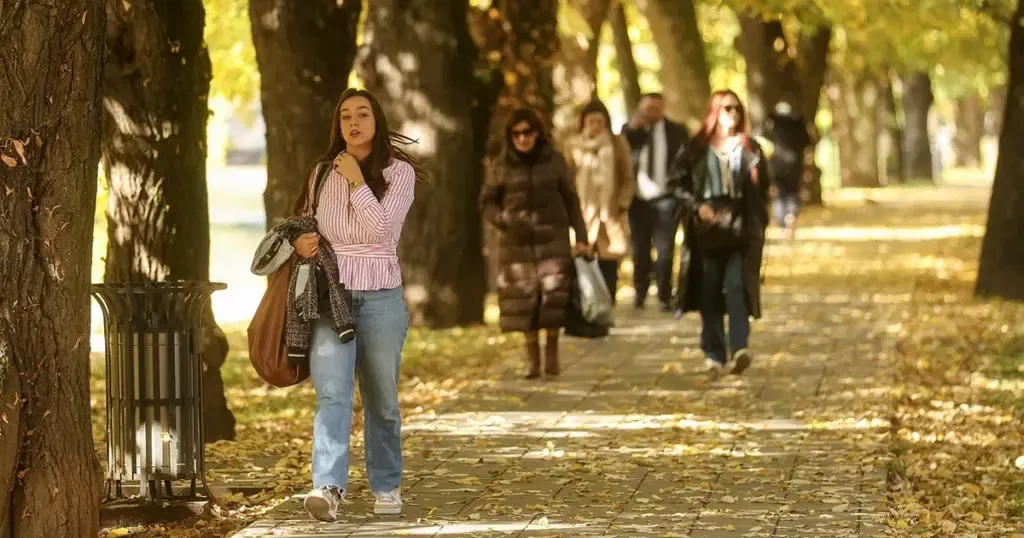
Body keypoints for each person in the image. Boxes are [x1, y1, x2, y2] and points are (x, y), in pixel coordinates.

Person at [290, 88, 426, 521]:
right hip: (331, 296)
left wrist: (355, 179)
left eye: (362, 113)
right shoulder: (320, 173)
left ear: (376, 120)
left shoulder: (399, 172)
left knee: (381, 396)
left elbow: (382, 231)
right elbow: (307, 221)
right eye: (345, 114)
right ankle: (327, 487)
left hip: (382, 297)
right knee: (332, 393)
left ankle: (386, 485)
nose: (353, 121)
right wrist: (301, 241)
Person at [481, 107, 589, 379]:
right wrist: (503, 219)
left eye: (527, 132)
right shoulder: (501, 165)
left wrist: (582, 237)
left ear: (538, 133)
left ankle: (552, 357)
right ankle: (532, 361)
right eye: (516, 134)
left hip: (553, 240)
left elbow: (571, 200)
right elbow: (487, 202)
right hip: (516, 245)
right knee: (526, 301)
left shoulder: (555, 161)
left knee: (552, 298)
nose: (522, 138)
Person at [668, 89, 769, 379]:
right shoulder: (696, 148)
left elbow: (762, 192)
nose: (733, 114)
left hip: (739, 226)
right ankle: (713, 354)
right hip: (706, 229)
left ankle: (739, 347)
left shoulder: (751, 148)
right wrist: (697, 207)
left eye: (737, 108)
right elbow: (676, 183)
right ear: (715, 111)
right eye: (727, 108)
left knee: (737, 286)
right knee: (709, 290)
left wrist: (759, 224)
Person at [621, 92, 689, 311]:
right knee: (639, 249)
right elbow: (622, 159)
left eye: (656, 109)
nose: (651, 113)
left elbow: (685, 164)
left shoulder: (677, 132)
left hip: (666, 199)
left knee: (665, 250)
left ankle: (664, 295)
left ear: (663, 108)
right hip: (638, 200)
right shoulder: (629, 132)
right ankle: (640, 293)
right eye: (647, 109)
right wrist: (634, 130)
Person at [562, 99, 635, 304]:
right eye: (591, 121)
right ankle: (586, 308)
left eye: (599, 122)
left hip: (609, 213)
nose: (595, 126)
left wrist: (622, 203)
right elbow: (566, 178)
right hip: (582, 213)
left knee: (608, 262)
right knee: (581, 262)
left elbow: (628, 176)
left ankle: (607, 306)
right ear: (583, 122)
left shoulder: (616, 143)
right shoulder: (572, 145)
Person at [763, 100, 811, 236]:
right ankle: (790, 215)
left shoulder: (772, 124)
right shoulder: (797, 124)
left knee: (780, 195)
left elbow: (765, 143)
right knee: (792, 193)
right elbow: (806, 145)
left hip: (776, 165)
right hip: (795, 165)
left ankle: (782, 223)